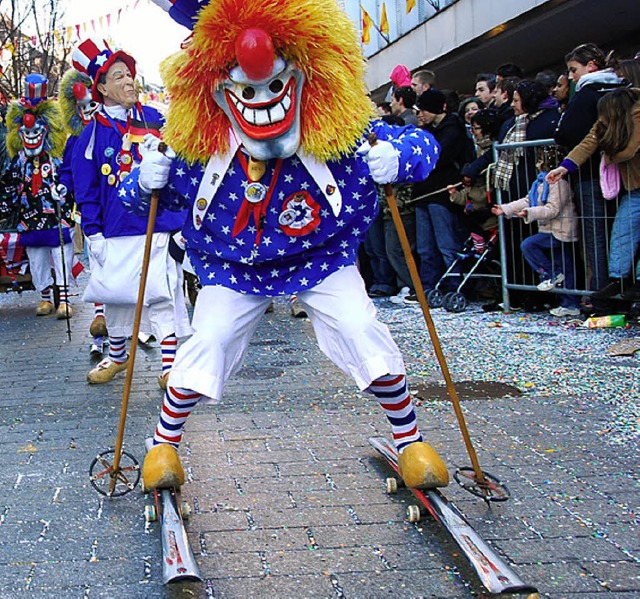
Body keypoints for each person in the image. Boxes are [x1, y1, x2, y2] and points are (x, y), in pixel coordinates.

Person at [130, 0, 449, 493]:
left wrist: (398, 157)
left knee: (360, 325)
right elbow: (139, 201)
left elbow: (422, 145)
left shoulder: (339, 133)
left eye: (275, 84)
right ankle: (162, 445)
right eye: (246, 89)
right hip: (234, 267)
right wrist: (144, 179)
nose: (261, 97)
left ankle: (411, 441)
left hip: (320, 258)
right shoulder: (195, 146)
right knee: (209, 338)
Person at [71, 38, 191, 387]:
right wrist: (92, 232)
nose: (129, 81)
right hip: (116, 229)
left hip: (159, 225)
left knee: (164, 292)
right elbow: (87, 187)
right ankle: (118, 356)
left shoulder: (155, 121)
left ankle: (170, 365)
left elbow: (183, 169)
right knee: (118, 297)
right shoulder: (92, 134)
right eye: (119, 76)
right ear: (102, 87)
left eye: (131, 74)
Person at [547, 87, 640, 302]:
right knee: (621, 235)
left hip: (635, 187)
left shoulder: (637, 115)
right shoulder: (608, 121)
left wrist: (608, 155)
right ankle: (617, 280)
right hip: (635, 190)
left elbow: (630, 149)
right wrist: (565, 167)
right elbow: (589, 142)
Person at [554, 42, 625, 312]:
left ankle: (601, 294)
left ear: (591, 66)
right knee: (618, 236)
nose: (571, 76)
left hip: (592, 175)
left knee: (596, 237)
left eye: (573, 70)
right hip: (617, 175)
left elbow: (570, 133)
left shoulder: (587, 95)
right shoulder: (618, 91)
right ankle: (613, 292)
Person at [1, 74, 76, 319]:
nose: (31, 129)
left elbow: (70, 177)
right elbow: (10, 184)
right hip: (29, 216)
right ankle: (45, 296)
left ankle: (64, 298)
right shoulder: (18, 160)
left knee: (61, 253)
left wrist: (64, 191)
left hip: (56, 215)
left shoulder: (57, 159)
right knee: (36, 256)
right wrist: (6, 205)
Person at [58, 65, 106, 356]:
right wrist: (63, 187)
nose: (87, 110)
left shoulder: (114, 132)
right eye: (82, 106)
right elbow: (67, 170)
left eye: (92, 104)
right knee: (97, 266)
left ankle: (140, 329)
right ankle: (101, 332)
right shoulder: (74, 140)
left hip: (120, 214)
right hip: (90, 216)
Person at [405, 88, 471, 303]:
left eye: (423, 110)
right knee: (425, 246)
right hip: (424, 192)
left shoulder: (452, 130)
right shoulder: (428, 130)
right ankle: (427, 287)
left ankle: (454, 285)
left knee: (445, 243)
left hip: (442, 193)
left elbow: (438, 156)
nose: (420, 115)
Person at [494, 156, 580, 317]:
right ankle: (568, 302)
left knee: (530, 245)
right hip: (549, 229)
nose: (536, 164)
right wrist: (506, 209)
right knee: (564, 265)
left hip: (562, 230)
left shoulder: (560, 184)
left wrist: (529, 212)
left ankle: (553, 277)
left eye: (538, 161)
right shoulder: (539, 183)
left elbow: (552, 209)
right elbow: (527, 200)